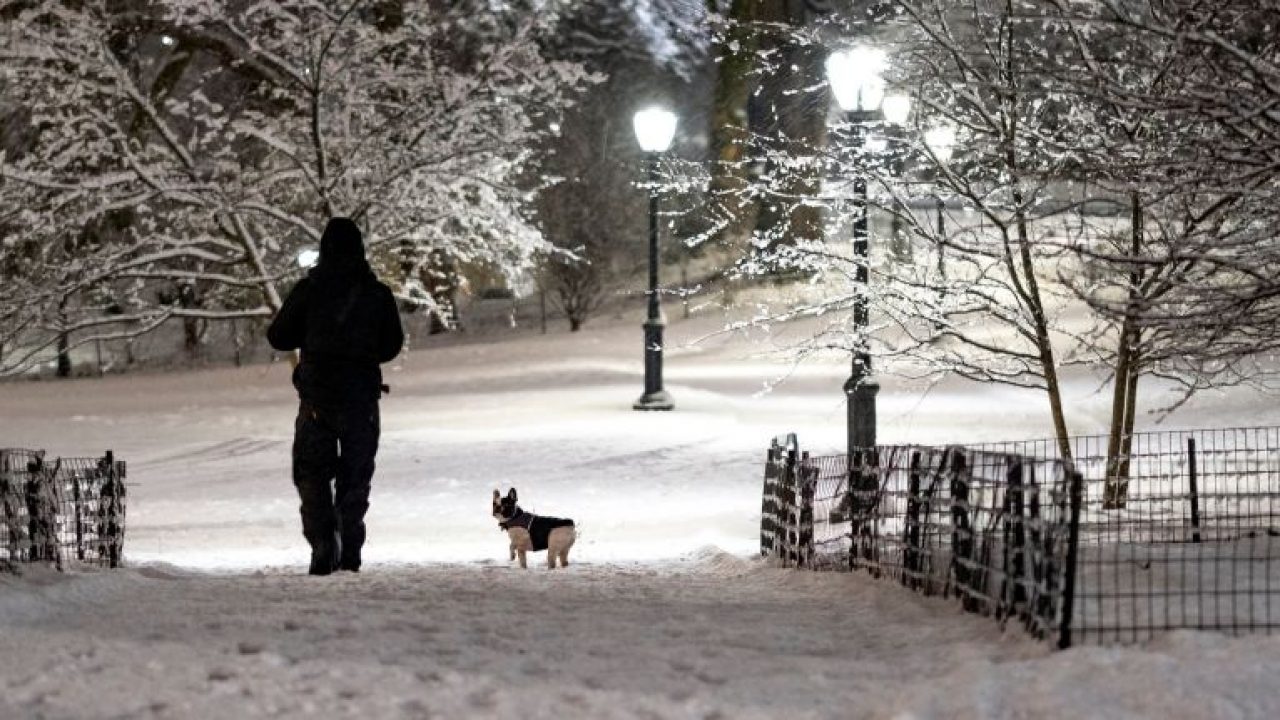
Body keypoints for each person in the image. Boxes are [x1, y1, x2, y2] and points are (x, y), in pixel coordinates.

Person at [268, 217, 403, 575]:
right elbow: (391, 345)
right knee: (355, 478)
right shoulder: (377, 294)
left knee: (311, 475)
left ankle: (323, 543)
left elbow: (278, 336)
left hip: (316, 402)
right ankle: (350, 551)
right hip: (361, 402)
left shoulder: (309, 290)